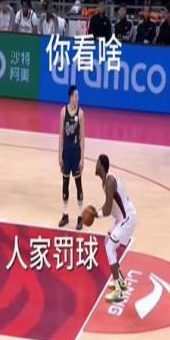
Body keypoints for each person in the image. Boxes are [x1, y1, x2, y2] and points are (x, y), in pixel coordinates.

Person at [92, 154, 137, 303]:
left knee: (110, 246)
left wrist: (95, 214)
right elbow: (109, 206)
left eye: (97, 163)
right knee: (107, 241)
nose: (95, 166)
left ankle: (118, 291)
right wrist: (97, 212)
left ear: (102, 166)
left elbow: (107, 210)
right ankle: (121, 281)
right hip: (121, 218)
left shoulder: (110, 181)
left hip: (127, 218)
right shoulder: (105, 182)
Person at [58, 86, 85, 230]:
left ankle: (80, 216)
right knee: (65, 183)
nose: (77, 98)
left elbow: (82, 138)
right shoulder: (63, 111)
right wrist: (59, 155)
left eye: (78, 96)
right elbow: (61, 135)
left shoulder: (81, 113)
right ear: (70, 96)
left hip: (76, 153)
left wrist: (82, 158)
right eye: (76, 96)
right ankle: (65, 214)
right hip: (66, 153)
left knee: (78, 183)